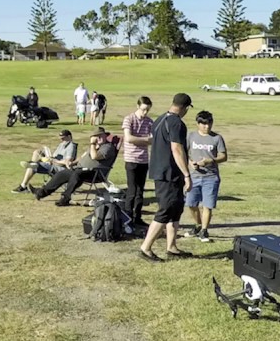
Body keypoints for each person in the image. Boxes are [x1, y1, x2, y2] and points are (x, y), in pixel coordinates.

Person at [140, 93, 193, 262]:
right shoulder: (176, 123)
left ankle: (172, 246)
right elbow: (177, 149)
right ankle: (145, 247)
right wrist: (187, 174)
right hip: (168, 173)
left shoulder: (159, 119)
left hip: (161, 171)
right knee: (165, 209)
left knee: (176, 209)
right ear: (185, 107)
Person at [32, 127, 116, 206]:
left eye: (100, 135)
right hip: (80, 169)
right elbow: (82, 157)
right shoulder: (93, 146)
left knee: (77, 174)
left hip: (95, 172)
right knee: (62, 174)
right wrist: (72, 163)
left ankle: (65, 197)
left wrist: (92, 143)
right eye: (96, 136)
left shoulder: (108, 147)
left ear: (105, 136)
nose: (99, 138)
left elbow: (95, 157)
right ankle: (41, 192)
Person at [184, 110, 227, 242]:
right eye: (203, 124)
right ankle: (197, 225)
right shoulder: (191, 137)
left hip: (211, 177)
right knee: (191, 204)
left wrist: (211, 160)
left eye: (209, 124)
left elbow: (224, 156)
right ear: (198, 124)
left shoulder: (217, 138)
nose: (207, 127)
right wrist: (191, 163)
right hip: (194, 176)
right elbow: (184, 154)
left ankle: (204, 230)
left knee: (207, 205)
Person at [120, 96, 154, 227]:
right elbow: (128, 138)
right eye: (143, 109)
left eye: (147, 110)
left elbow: (152, 139)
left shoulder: (150, 122)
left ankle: (137, 217)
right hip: (131, 159)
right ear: (137, 106)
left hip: (144, 160)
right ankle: (127, 217)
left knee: (140, 191)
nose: (145, 113)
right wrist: (145, 140)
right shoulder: (129, 119)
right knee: (132, 190)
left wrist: (140, 139)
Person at [13, 129, 78, 192]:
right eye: (60, 138)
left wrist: (53, 161)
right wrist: (49, 157)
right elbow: (55, 156)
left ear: (69, 137)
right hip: (52, 162)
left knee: (33, 166)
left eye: (63, 138)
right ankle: (33, 163)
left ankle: (23, 186)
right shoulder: (62, 145)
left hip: (59, 168)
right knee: (37, 152)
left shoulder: (71, 146)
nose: (61, 140)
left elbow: (67, 162)